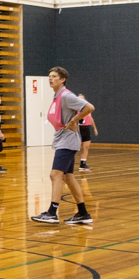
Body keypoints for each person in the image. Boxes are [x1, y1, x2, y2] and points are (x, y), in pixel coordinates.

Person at [31, 67, 94, 225]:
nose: (50, 79)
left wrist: (74, 121)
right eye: (49, 76)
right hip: (63, 139)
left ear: (62, 79)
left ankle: (52, 213)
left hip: (68, 140)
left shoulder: (66, 95)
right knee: (67, 176)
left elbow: (89, 107)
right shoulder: (57, 96)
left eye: (54, 76)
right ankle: (83, 213)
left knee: (55, 175)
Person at [77, 96, 97, 173]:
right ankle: (66, 164)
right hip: (79, 128)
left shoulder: (88, 108)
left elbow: (91, 118)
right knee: (75, 147)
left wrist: (94, 128)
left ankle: (83, 164)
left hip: (86, 128)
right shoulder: (76, 109)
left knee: (86, 146)